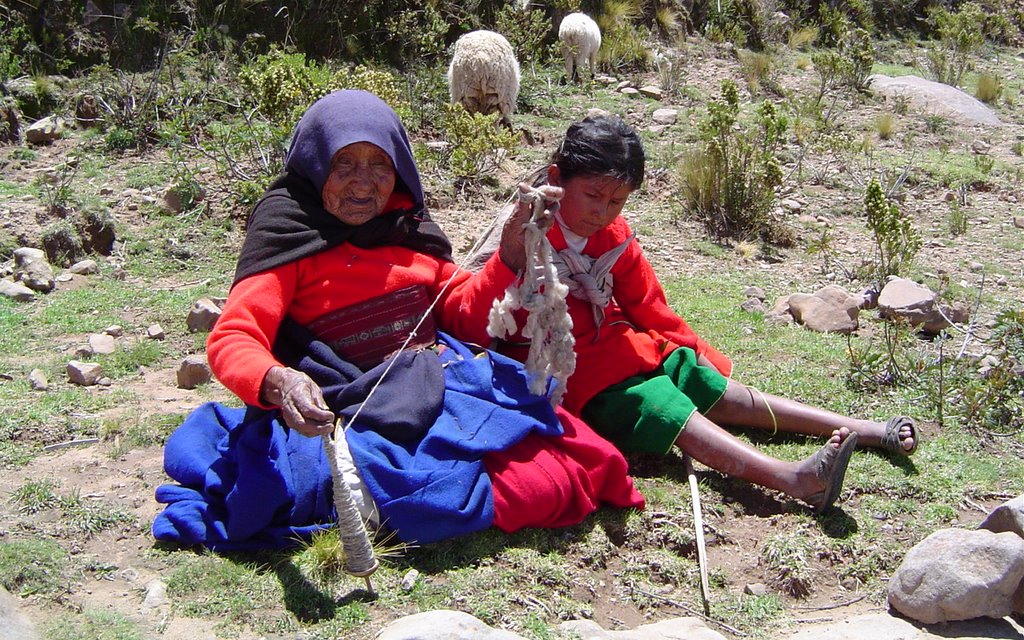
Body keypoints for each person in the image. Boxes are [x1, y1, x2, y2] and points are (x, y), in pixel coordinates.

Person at [152, 91, 643, 551]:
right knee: (429, 490)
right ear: (316, 164)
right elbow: (235, 335)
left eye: (380, 165)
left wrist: (509, 254)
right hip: (355, 403)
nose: (364, 182)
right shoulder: (288, 236)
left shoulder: (407, 227)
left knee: (573, 469)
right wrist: (278, 381)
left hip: (443, 385)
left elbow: (465, 316)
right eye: (345, 164)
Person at [482, 114, 918, 515]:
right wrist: (509, 259)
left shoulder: (613, 236)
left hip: (624, 347)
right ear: (558, 178)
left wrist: (694, 348)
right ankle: (793, 479)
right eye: (593, 195)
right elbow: (480, 309)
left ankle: (865, 429)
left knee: (709, 383)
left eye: (617, 201)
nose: (602, 212)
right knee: (663, 407)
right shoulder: (525, 232)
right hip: (572, 374)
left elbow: (648, 305)